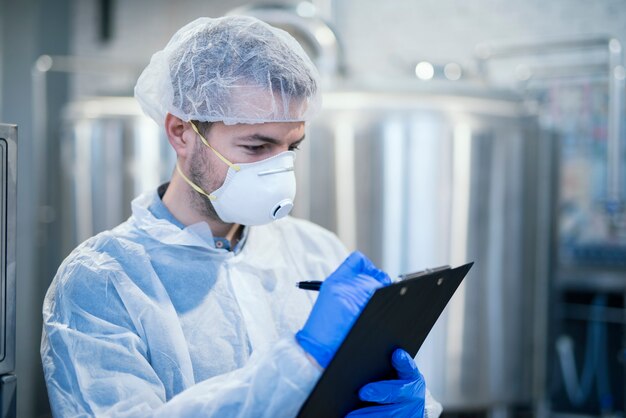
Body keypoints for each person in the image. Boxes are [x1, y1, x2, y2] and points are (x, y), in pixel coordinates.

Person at [41, 16, 443, 417]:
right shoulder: (101, 283)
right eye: (256, 147)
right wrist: (302, 359)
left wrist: (407, 406)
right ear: (181, 132)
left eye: (291, 148)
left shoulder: (314, 250)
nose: (278, 171)